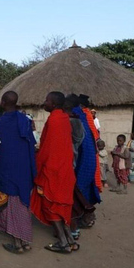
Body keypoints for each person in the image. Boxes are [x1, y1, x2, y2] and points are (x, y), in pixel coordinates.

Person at [30, 92, 78, 254]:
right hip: (65, 169)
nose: (44, 103)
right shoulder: (64, 118)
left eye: (47, 100)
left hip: (54, 171)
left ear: (54, 104)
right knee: (61, 205)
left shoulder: (55, 120)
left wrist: (36, 166)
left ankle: (63, 243)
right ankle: (70, 240)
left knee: (51, 206)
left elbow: (47, 149)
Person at [0, 91, 36, 254]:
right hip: (24, 168)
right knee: (23, 203)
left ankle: (17, 243)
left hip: (6, 168)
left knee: (11, 203)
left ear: (3, 103)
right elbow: (31, 145)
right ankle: (25, 240)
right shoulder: (25, 120)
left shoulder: (0, 123)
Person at [64, 94, 96, 239]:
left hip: (79, 161)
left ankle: (75, 224)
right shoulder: (83, 116)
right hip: (88, 159)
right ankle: (86, 217)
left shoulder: (74, 116)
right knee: (83, 189)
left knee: (74, 192)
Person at [79, 94, 102, 193]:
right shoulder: (86, 114)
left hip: (87, 143)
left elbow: (92, 130)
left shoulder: (85, 114)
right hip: (90, 143)